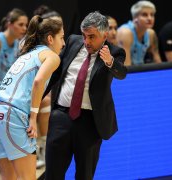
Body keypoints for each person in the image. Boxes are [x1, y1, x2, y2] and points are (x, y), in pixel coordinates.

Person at [44, 11, 127, 180]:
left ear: (104, 35)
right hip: (61, 116)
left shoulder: (115, 52)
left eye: (91, 37)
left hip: (90, 122)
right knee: (53, 173)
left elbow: (121, 73)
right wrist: (34, 101)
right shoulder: (72, 42)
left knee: (84, 175)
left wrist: (110, 61)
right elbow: (55, 74)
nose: (86, 41)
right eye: (84, 35)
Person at [0, 15, 65, 180]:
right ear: (50, 38)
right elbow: (38, 82)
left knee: (8, 177)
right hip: (13, 116)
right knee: (27, 177)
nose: (64, 43)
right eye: (62, 37)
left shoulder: (26, 54)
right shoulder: (52, 56)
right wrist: (33, 118)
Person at [32, 4, 63, 169]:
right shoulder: (38, 49)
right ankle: (37, 148)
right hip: (24, 95)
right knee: (43, 102)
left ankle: (44, 147)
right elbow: (36, 81)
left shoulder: (59, 48)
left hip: (42, 90)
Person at [117, 0, 161, 65]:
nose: (150, 18)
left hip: (139, 70)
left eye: (152, 15)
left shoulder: (151, 33)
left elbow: (157, 59)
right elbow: (125, 65)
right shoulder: (125, 33)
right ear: (135, 18)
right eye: (144, 15)